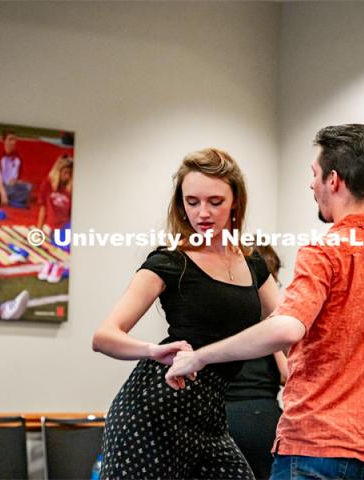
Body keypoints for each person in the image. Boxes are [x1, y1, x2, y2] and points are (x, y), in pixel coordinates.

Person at [166, 124, 364, 480]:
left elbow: (287, 326)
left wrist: (199, 356)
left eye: (314, 175)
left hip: (316, 448)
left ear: (334, 181)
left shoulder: (325, 251)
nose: (311, 185)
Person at [92, 148, 280, 480]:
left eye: (215, 202)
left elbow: (288, 328)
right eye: (192, 202)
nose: (202, 213)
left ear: (236, 201)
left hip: (210, 419)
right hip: (152, 413)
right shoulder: (169, 261)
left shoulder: (254, 265)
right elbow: (104, 336)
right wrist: (152, 350)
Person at [225, 243, 287, 480]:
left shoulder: (223, 312)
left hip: (222, 416)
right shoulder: (271, 320)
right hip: (260, 417)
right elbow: (288, 372)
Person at [37, 154, 73, 233]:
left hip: (66, 225)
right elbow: (43, 209)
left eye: (69, 173)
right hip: (51, 228)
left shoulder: (71, 188)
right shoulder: (47, 184)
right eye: (65, 172)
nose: (67, 176)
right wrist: (39, 230)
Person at [0, 131, 32, 208]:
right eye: (10, 139)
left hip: (12, 186)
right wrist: (2, 190)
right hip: (0, 185)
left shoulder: (18, 157)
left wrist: (16, 181)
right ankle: (7, 196)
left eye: (14, 140)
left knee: (28, 187)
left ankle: (2, 197)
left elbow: (18, 177)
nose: (13, 142)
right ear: (4, 141)